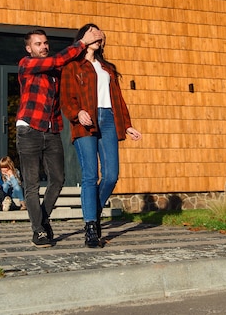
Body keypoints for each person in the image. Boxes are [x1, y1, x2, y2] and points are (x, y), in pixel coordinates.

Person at [16, 27, 101, 248]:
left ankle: (42, 219)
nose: (43, 46)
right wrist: (82, 43)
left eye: (45, 43)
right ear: (29, 48)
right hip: (29, 129)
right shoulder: (26, 64)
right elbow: (57, 61)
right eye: (38, 44)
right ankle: (39, 231)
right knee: (32, 184)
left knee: (58, 179)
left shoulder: (56, 71)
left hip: (52, 130)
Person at [61, 24, 142, 248]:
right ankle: (91, 227)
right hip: (85, 120)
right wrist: (77, 113)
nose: (98, 37)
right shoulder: (72, 66)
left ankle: (92, 213)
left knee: (111, 175)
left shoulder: (107, 68)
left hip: (108, 120)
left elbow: (118, 99)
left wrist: (127, 125)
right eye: (93, 34)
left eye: (100, 35)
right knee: (89, 175)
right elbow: (66, 99)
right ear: (84, 38)